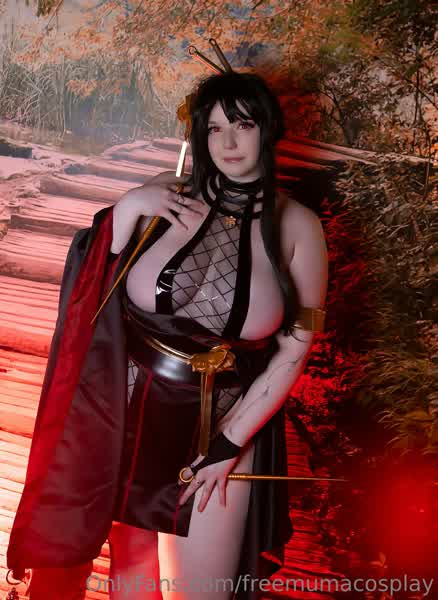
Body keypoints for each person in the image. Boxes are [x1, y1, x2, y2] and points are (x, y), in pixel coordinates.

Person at [6, 70, 328, 599]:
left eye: (243, 125)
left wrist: (231, 442)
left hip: (221, 423)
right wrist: (130, 207)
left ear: (267, 129)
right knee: (130, 574)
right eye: (215, 128)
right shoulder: (165, 191)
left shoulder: (298, 227)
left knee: (203, 592)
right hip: (127, 413)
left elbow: (296, 347)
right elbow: (94, 281)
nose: (228, 142)